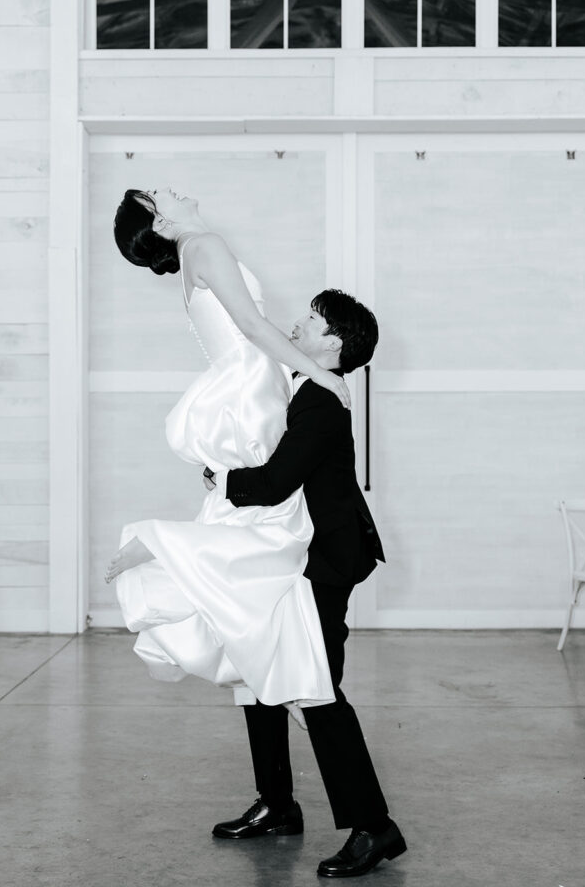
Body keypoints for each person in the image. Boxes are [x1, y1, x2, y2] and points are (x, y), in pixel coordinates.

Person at [105, 187, 350, 713]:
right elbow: (252, 326)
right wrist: (319, 375)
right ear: (160, 221)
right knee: (275, 525)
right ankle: (164, 544)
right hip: (251, 387)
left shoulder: (195, 252)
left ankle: (263, 666)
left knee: (260, 521)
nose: (171, 191)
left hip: (246, 384)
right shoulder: (206, 244)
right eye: (157, 195)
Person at [206, 289, 407, 878]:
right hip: (295, 555)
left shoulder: (322, 398)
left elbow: (275, 482)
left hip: (325, 562)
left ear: (334, 343)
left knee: (316, 688)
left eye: (313, 320)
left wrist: (221, 479)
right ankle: (277, 805)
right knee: (260, 670)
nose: (298, 322)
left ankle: (374, 827)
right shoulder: (305, 386)